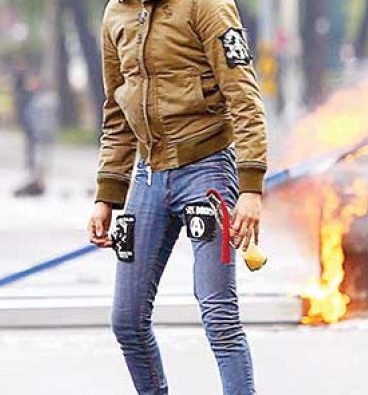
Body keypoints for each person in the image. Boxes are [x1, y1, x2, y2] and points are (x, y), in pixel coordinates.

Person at [87, 1, 268, 394]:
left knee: (218, 314)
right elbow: (116, 113)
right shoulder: (115, 13)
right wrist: (107, 195)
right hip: (147, 177)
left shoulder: (206, 5)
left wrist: (251, 187)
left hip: (208, 172)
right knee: (127, 320)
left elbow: (244, 94)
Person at [14, 78, 58, 197]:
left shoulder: (36, 101)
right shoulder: (53, 100)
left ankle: (39, 175)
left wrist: (30, 128)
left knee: (39, 154)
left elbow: (30, 116)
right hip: (49, 132)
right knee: (47, 154)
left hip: (39, 132)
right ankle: (42, 175)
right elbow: (57, 116)